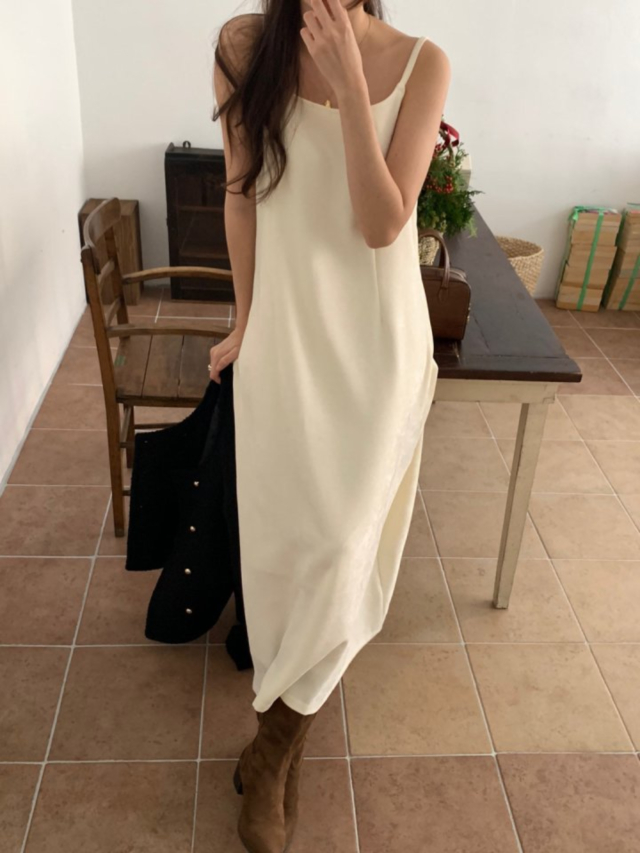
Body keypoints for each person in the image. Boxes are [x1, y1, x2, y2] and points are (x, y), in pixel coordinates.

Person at [209, 1, 451, 850]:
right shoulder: (244, 46)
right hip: (284, 342)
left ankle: (272, 755)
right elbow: (242, 198)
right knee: (284, 556)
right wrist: (244, 320)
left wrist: (352, 87)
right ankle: (278, 748)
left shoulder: (421, 62)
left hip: (377, 353)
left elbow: (382, 224)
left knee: (346, 553)